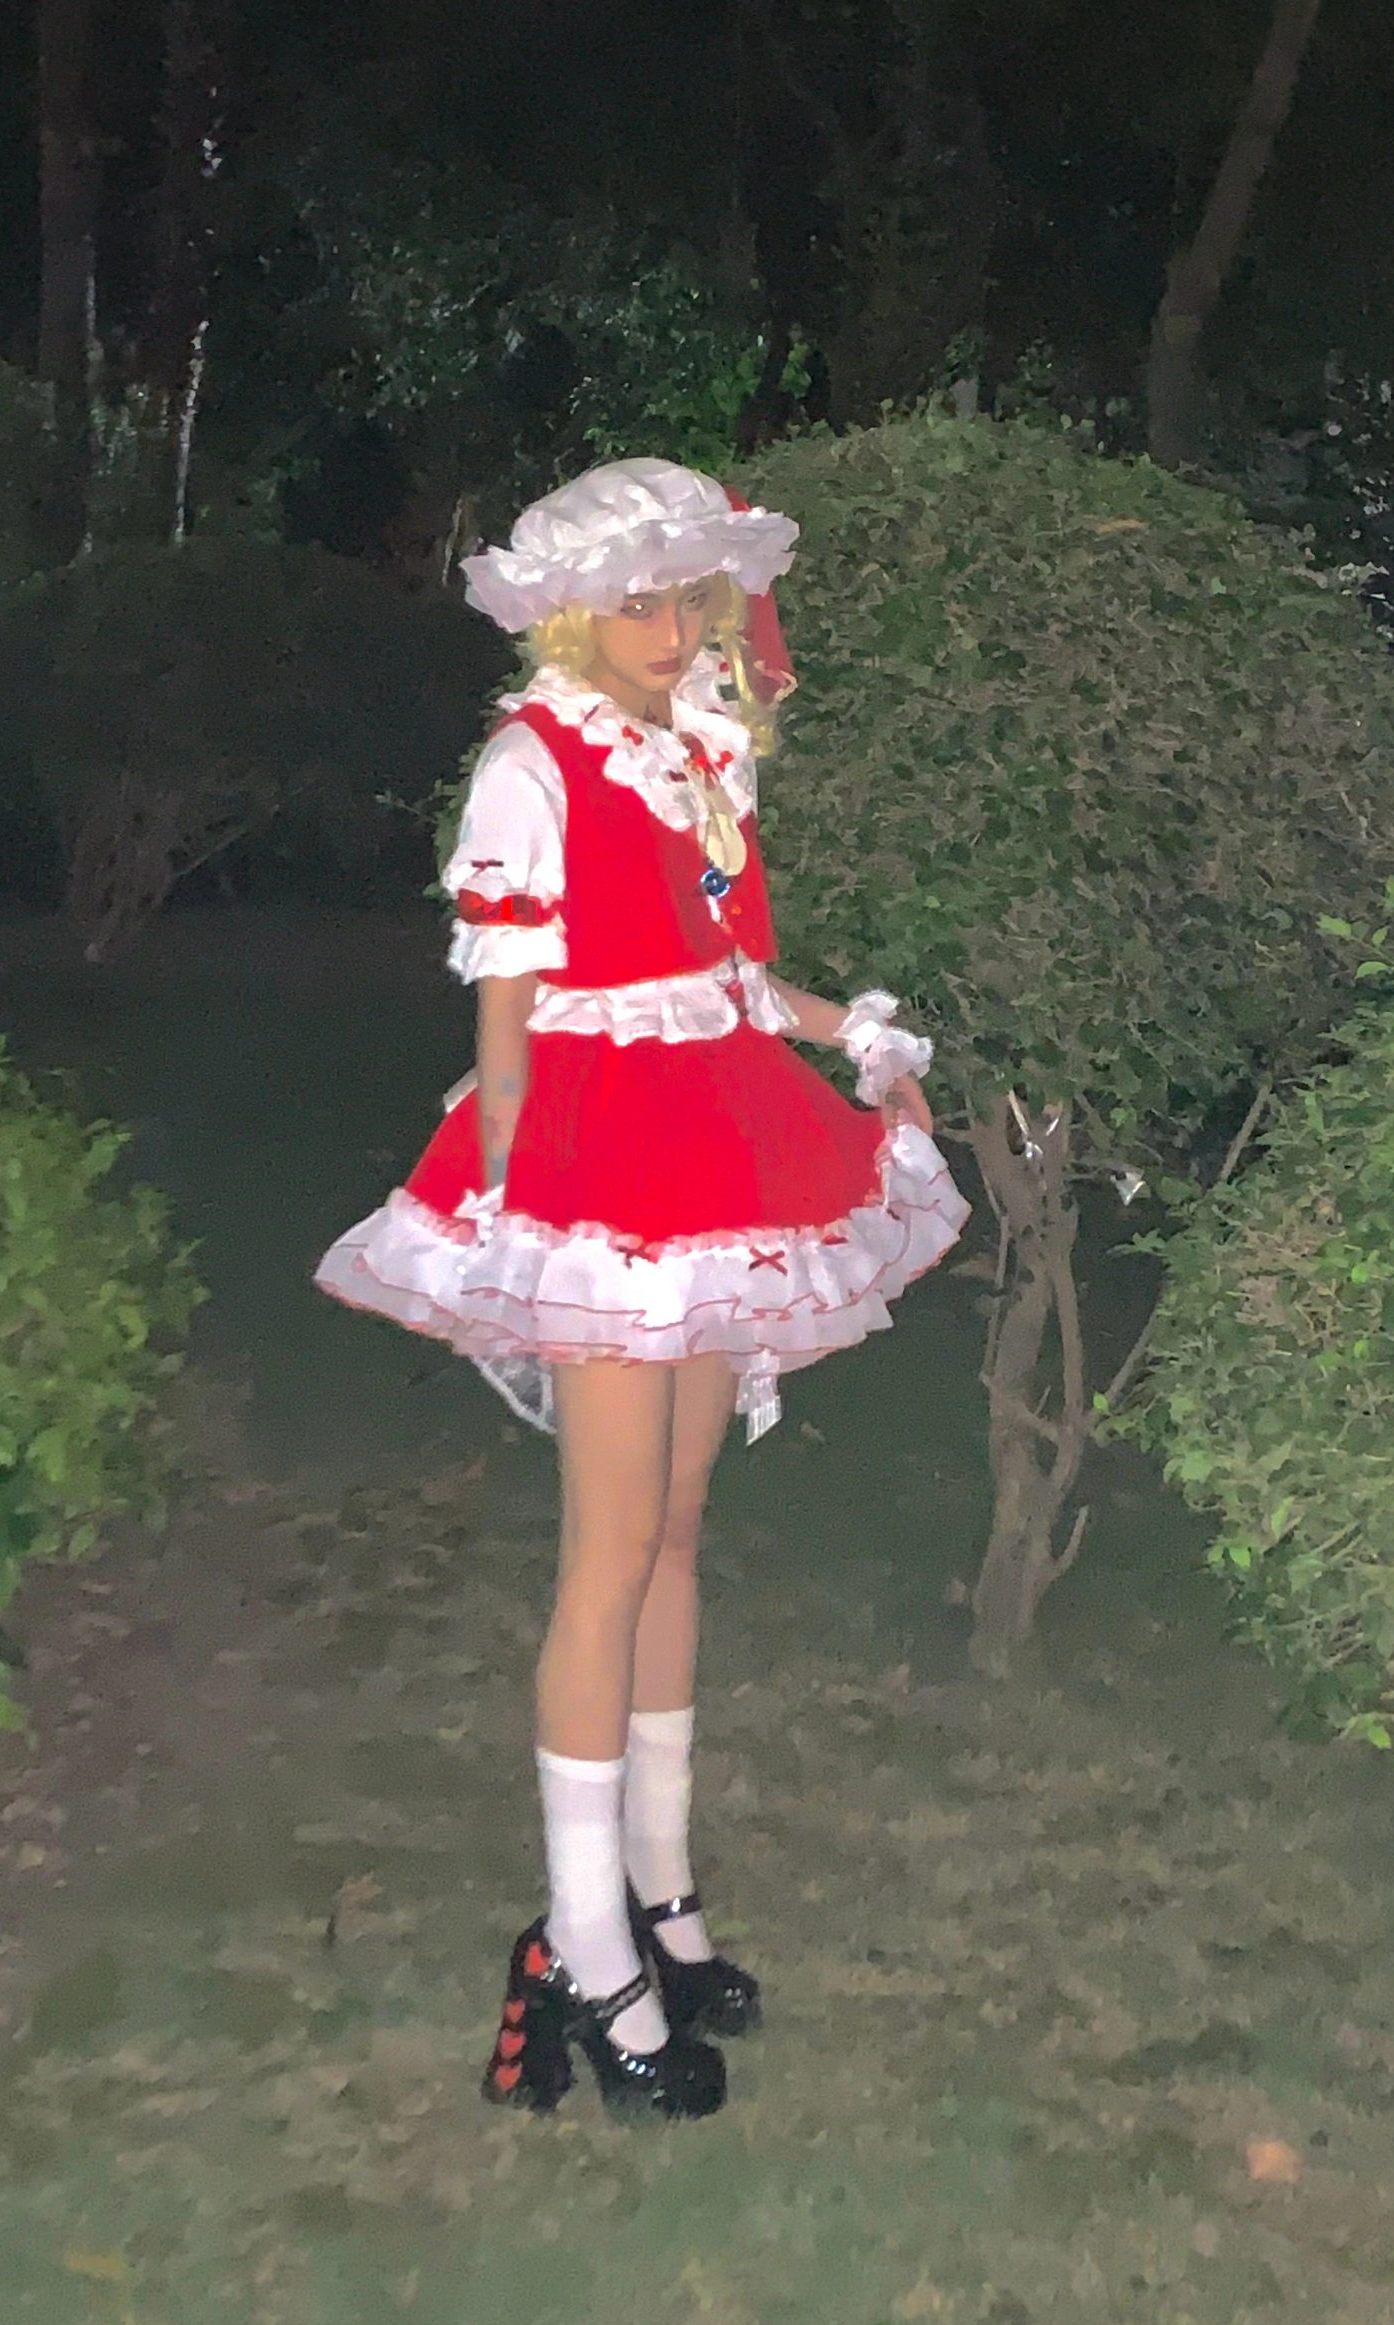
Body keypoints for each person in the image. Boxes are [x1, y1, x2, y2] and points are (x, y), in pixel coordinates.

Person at [316, 460, 969, 2123]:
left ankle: (665, 1898)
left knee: (674, 1534)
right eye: (639, 601)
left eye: (689, 597)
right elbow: (507, 1015)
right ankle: (582, 1943)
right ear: (567, 612)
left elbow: (726, 976)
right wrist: (510, 1207)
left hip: (716, 1139)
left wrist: (852, 1028)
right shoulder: (532, 763)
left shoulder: (695, 748)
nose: (674, 628)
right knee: (605, 1555)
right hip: (602, 1171)